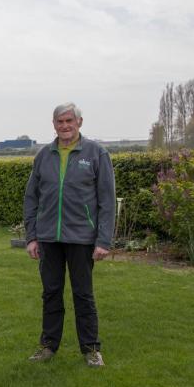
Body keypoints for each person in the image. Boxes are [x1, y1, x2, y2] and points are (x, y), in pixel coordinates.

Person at [23, 103, 115, 367]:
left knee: (83, 294)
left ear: (79, 122)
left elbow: (106, 202)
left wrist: (103, 240)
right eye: (59, 122)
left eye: (69, 121)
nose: (64, 126)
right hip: (49, 238)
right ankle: (48, 346)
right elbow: (31, 198)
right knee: (51, 293)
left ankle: (91, 349)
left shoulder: (97, 154)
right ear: (54, 125)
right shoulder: (44, 156)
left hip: (81, 238)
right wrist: (32, 236)